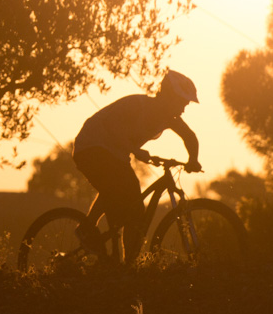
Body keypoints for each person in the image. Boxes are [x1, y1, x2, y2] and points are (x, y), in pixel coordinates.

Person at [72, 70, 202, 262]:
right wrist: (135, 150)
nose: (183, 109)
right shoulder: (138, 105)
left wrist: (193, 159)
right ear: (168, 96)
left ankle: (119, 260)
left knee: (127, 200)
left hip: (114, 155)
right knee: (124, 193)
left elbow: (189, 136)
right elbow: (112, 127)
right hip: (91, 147)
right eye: (181, 103)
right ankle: (94, 235)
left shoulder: (169, 117)